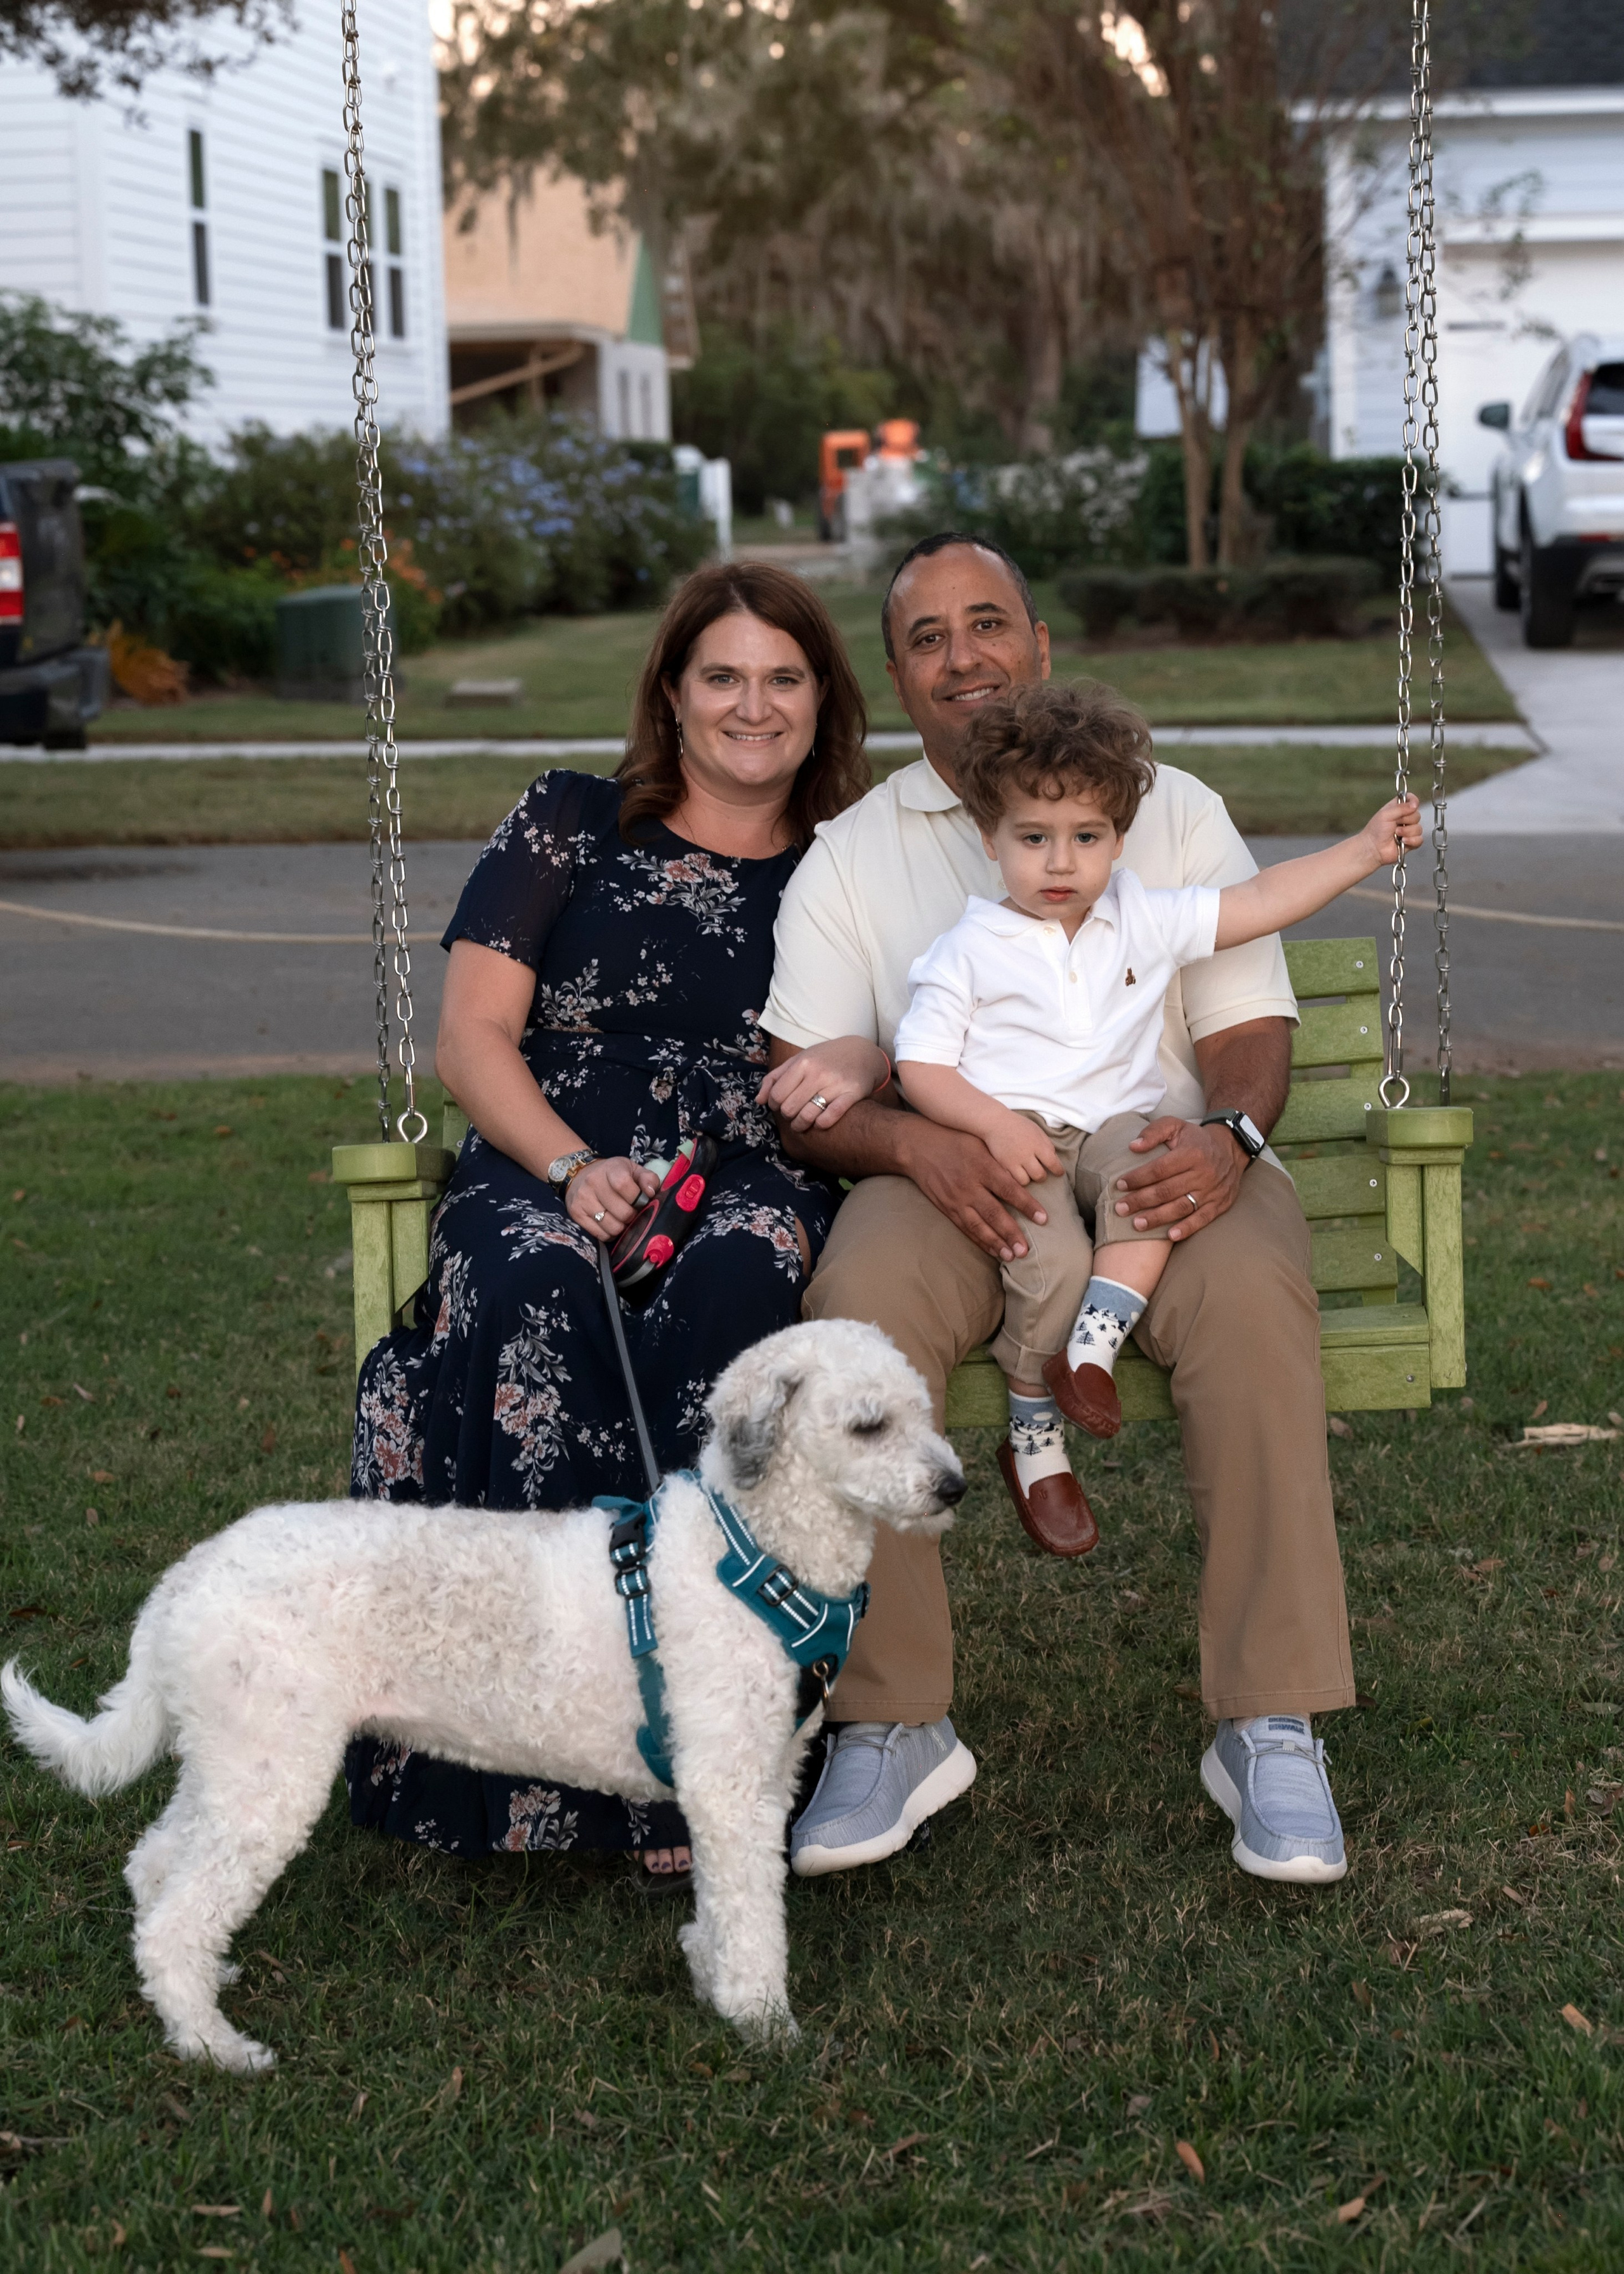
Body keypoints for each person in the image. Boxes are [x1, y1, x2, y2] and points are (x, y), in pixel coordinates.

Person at [760, 531, 1360, 1890]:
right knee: (856, 1319)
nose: (962, 654)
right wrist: (920, 1149)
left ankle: (1266, 1718)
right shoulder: (853, 854)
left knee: (1252, 1302)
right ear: (899, 676)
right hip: (950, 1175)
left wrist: (1231, 1136)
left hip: (1162, 1163)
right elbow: (812, 1082)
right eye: (926, 636)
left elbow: (1249, 1017)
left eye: (988, 624)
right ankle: (893, 1720)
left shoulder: (1168, 807)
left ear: (1038, 649)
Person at [346, 561, 882, 1886]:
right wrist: (572, 1161)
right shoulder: (571, 820)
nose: (751, 706)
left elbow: (918, 1024)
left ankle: (708, 1759)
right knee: (536, 1294)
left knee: (738, 1302)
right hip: (546, 1148)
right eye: (722, 677)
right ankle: (533, 1752)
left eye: (782, 677)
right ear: (672, 692)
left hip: (746, 1165)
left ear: (822, 700)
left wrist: (859, 1061)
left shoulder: (851, 860)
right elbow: (472, 1040)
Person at [893, 676, 1422, 1531]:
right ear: (990, 840)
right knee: (1055, 1263)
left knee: (1153, 1183)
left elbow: (1256, 903)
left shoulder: (1138, 916)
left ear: (1118, 839)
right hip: (1015, 1142)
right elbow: (920, 1066)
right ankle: (1033, 1431)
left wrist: (1363, 851)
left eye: (1085, 837)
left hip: (1111, 1129)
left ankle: (1090, 1356)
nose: (1060, 862)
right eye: (1033, 837)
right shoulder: (970, 950)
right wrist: (991, 1124)